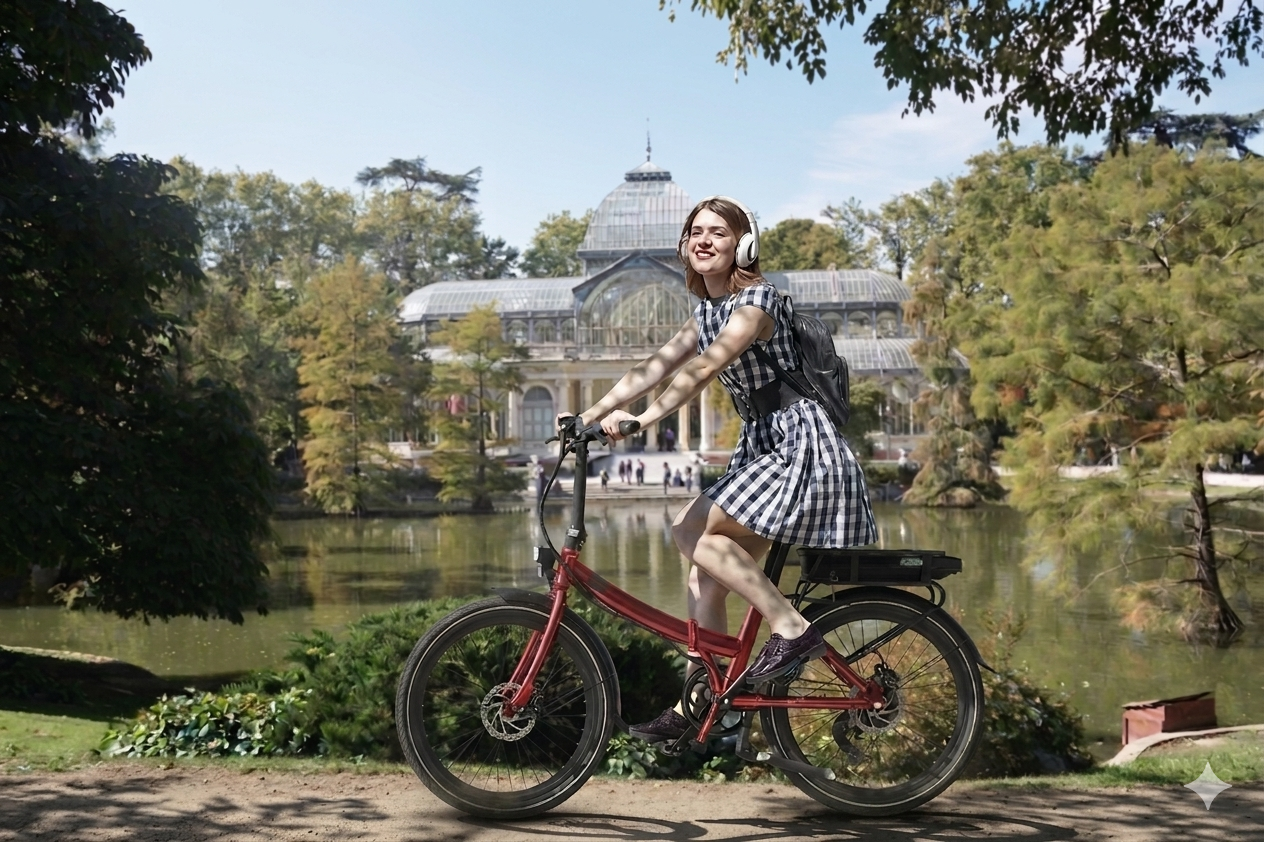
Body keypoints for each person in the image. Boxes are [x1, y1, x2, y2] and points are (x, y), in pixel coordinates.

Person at [566, 196, 876, 744]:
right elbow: (653, 367)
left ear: (743, 247)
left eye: (719, 233)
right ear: (684, 245)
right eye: (696, 232)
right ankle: (700, 700)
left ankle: (791, 629)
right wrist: (585, 417)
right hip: (763, 447)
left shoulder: (756, 304)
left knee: (689, 528)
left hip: (801, 447)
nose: (704, 240)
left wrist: (642, 420)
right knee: (702, 576)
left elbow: (705, 369)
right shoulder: (703, 313)